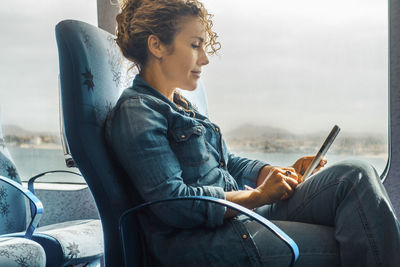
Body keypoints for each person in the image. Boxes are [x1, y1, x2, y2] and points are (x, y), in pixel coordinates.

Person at [105, 0, 400, 266]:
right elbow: (175, 203)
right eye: (195, 45)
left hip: (241, 218)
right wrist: (258, 197)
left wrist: (272, 173)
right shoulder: (137, 113)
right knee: (356, 236)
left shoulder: (181, 105)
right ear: (157, 46)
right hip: (206, 242)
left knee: (355, 174)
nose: (205, 59)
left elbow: (227, 162)